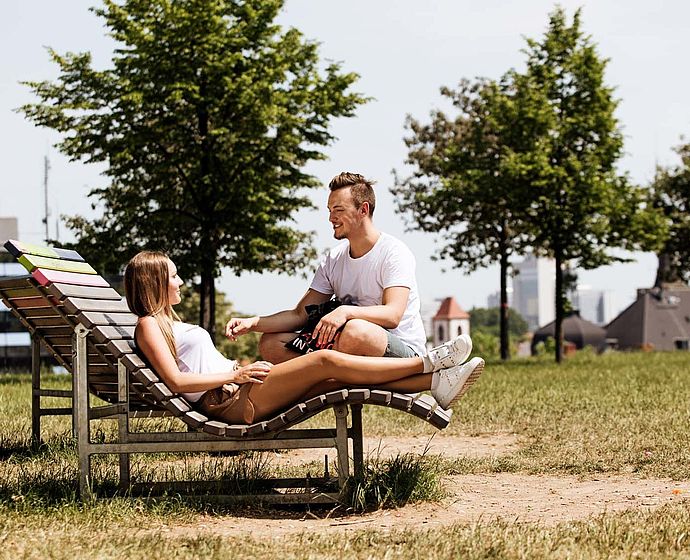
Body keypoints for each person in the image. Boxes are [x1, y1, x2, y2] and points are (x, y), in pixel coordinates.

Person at [125, 251, 485, 425]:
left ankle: (434, 381)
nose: (180, 282)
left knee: (333, 378)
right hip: (230, 402)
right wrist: (234, 376)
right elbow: (175, 381)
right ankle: (427, 362)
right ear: (154, 282)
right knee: (324, 361)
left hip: (242, 388)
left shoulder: (167, 323)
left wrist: (240, 365)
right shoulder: (148, 325)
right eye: (173, 276)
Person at [225, 171, 440, 364]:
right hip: (346, 347)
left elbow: (393, 315)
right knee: (271, 342)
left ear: (363, 209)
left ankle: (329, 371)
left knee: (355, 331)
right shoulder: (333, 259)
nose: (331, 218)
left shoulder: (393, 252)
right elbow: (300, 314)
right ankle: (331, 374)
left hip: (401, 353)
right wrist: (252, 323)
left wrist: (344, 312)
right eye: (329, 210)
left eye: (338, 209)